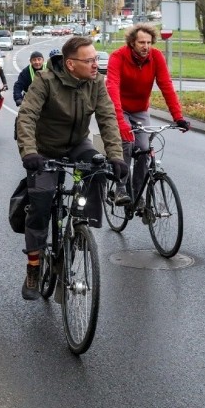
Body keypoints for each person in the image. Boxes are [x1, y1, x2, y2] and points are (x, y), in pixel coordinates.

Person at [15, 37, 128, 300]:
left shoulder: (95, 82)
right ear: (70, 64)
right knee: (41, 202)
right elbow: (27, 116)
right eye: (89, 60)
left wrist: (116, 156)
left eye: (96, 59)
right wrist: (30, 153)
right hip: (44, 149)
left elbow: (107, 118)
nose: (95, 65)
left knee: (97, 168)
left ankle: (79, 230)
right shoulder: (45, 80)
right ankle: (34, 266)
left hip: (77, 144)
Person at [105, 23, 190, 207]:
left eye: (149, 42)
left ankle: (137, 193)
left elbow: (166, 86)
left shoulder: (156, 57)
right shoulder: (118, 57)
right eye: (141, 42)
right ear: (132, 43)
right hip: (119, 108)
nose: (146, 46)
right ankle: (120, 188)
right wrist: (121, 122)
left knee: (144, 148)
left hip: (140, 110)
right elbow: (112, 88)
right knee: (126, 143)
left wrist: (178, 117)